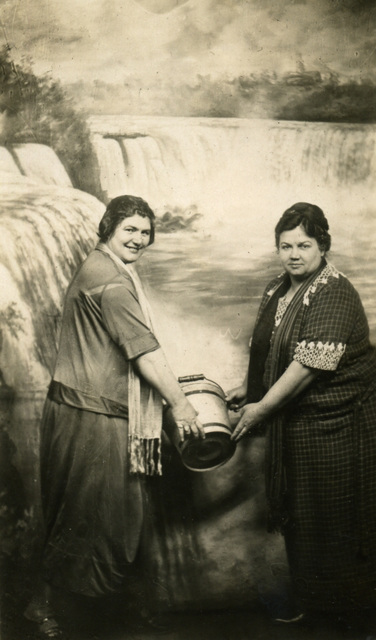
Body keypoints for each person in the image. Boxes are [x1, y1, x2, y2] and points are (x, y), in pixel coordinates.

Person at [24, 195, 205, 639]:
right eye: (130, 230)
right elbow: (143, 352)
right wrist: (180, 404)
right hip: (90, 417)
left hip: (83, 411)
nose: (139, 240)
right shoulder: (112, 282)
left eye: (145, 232)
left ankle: (111, 606)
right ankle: (44, 607)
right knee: (91, 516)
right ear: (108, 229)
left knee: (102, 514)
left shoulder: (105, 267)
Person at [226, 202, 376, 630]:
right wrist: (249, 390)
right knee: (304, 516)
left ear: (323, 245)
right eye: (285, 245)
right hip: (299, 425)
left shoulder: (334, 292)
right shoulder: (278, 287)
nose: (294, 254)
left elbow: (307, 366)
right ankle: (315, 605)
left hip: (338, 425)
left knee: (337, 517)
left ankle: (352, 618)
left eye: (304, 245)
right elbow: (271, 350)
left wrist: (261, 409)